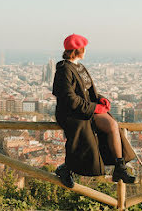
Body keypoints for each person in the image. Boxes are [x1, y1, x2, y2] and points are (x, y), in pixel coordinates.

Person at [52, 34, 136, 188]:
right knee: (83, 131)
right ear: (78, 50)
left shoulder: (80, 67)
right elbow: (69, 99)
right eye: (84, 48)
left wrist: (101, 100)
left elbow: (88, 92)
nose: (86, 51)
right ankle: (66, 169)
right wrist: (94, 108)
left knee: (112, 124)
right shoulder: (64, 69)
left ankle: (120, 168)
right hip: (70, 113)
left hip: (85, 108)